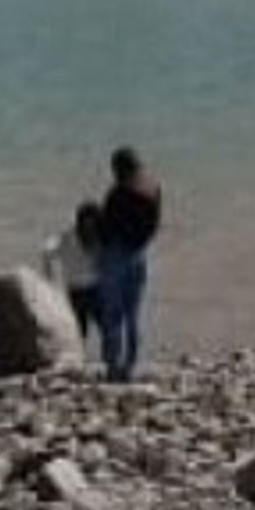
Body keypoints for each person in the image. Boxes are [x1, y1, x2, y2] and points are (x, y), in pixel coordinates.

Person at [94, 146, 164, 380]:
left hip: (116, 255)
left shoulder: (119, 193)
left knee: (112, 315)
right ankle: (132, 364)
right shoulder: (153, 188)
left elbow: (106, 228)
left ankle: (113, 366)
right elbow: (155, 225)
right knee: (133, 315)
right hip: (140, 254)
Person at [44, 196, 105, 342]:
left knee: (107, 328)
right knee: (79, 332)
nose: (89, 225)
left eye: (93, 221)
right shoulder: (69, 235)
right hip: (76, 289)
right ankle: (79, 361)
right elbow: (47, 250)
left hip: (97, 288)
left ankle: (112, 359)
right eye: (86, 221)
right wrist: (50, 277)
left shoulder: (103, 236)